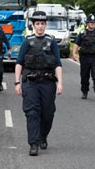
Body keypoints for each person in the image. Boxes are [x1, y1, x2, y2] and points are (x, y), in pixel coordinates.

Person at [14, 10, 63, 156]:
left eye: (42, 24)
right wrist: (17, 82)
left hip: (47, 83)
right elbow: (19, 63)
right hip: (31, 83)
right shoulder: (27, 42)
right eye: (37, 24)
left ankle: (43, 136)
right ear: (33, 25)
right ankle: (33, 143)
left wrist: (60, 82)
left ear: (45, 25)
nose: (40, 26)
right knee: (32, 113)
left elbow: (58, 64)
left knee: (48, 114)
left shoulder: (52, 41)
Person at [72, 14, 95, 101]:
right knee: (84, 76)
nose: (92, 24)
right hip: (84, 57)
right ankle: (84, 91)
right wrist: (74, 53)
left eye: (93, 22)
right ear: (87, 23)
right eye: (90, 22)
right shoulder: (82, 33)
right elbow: (76, 43)